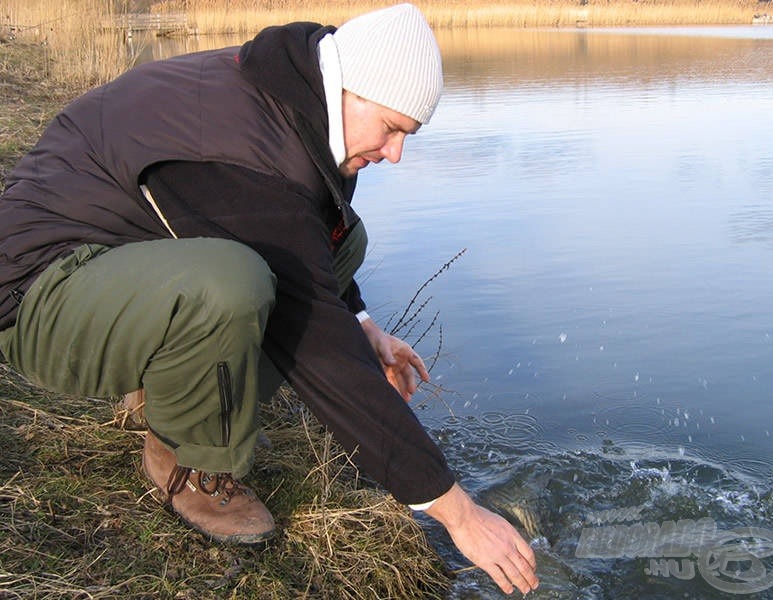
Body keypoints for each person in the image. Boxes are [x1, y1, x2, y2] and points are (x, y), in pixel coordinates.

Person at [0, 3, 538, 595]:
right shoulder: (239, 148)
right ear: (348, 90)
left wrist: (362, 323)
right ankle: (189, 458)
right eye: (390, 128)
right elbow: (315, 347)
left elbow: (309, 235)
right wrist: (457, 512)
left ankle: (170, 383)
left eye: (406, 135)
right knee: (235, 284)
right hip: (38, 298)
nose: (394, 154)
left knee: (342, 239)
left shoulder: (296, 100)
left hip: (113, 266)